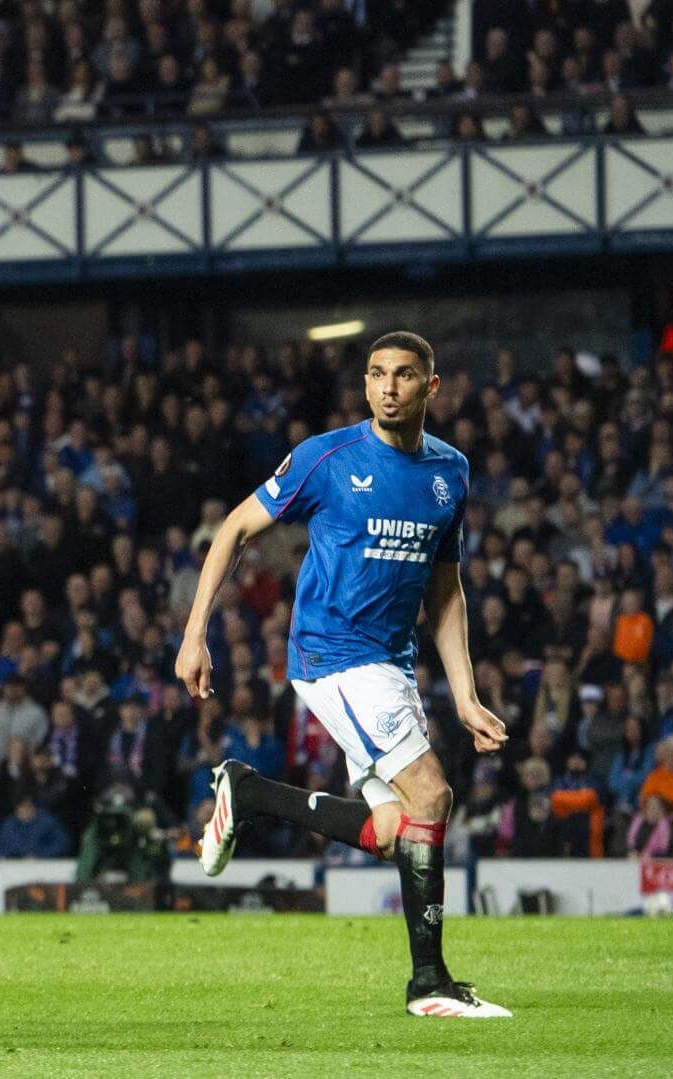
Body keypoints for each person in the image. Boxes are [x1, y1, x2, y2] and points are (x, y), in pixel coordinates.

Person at [176, 331, 512, 1018]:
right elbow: (235, 528)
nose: (390, 387)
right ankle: (430, 983)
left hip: (391, 662)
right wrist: (195, 633)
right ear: (365, 386)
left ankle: (249, 793)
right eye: (378, 375)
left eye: (406, 376)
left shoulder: (450, 472)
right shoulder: (327, 458)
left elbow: (445, 590)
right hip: (332, 652)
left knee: (395, 827)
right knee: (432, 792)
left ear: (431, 387)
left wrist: (467, 692)